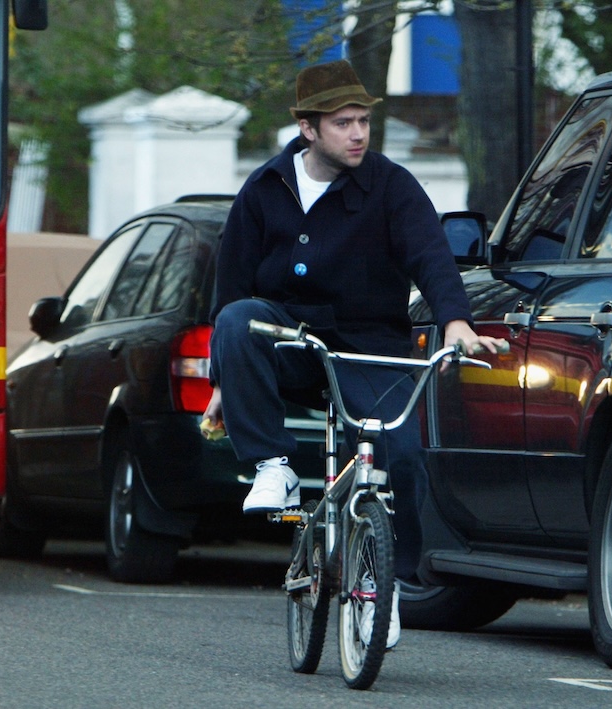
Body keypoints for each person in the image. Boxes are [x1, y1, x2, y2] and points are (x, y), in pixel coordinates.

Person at [205, 59, 504, 647]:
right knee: (239, 320)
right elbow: (231, 289)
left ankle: (389, 578)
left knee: (405, 452)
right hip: (293, 341)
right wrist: (227, 377)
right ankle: (274, 469)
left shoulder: (390, 185)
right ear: (308, 128)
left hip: (369, 346)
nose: (359, 134)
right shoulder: (266, 188)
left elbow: (431, 257)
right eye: (343, 122)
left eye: (363, 120)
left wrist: (456, 322)